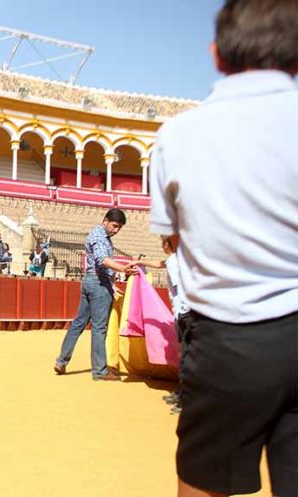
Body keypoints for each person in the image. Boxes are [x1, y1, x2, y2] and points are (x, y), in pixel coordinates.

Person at [149, 2, 298, 496]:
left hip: (228, 339)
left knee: (204, 483)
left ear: (216, 55)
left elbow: (172, 239)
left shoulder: (177, 134)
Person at [54, 208, 133, 381]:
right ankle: (99, 371)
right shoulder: (100, 237)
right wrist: (122, 268)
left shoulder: (97, 234)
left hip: (90, 281)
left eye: (119, 227)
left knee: (78, 323)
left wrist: (112, 285)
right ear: (105, 221)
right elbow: (101, 260)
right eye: (114, 225)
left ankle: (61, 361)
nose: (116, 230)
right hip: (98, 284)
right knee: (99, 328)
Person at [128, 238, 190, 414]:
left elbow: (182, 287)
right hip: (185, 313)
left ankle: (185, 398)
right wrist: (140, 261)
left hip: (184, 312)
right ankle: (181, 393)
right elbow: (160, 263)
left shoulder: (174, 261)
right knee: (184, 355)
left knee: (185, 356)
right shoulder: (177, 259)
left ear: (166, 245)